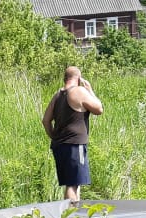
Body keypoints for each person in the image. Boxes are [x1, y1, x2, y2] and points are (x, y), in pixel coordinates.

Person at [41, 66, 104, 204]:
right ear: (79, 78)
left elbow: (46, 120)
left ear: (65, 78)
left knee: (73, 184)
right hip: (75, 145)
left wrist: (54, 136)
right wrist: (90, 90)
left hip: (59, 146)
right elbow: (99, 109)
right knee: (72, 185)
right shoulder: (79, 91)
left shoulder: (58, 95)